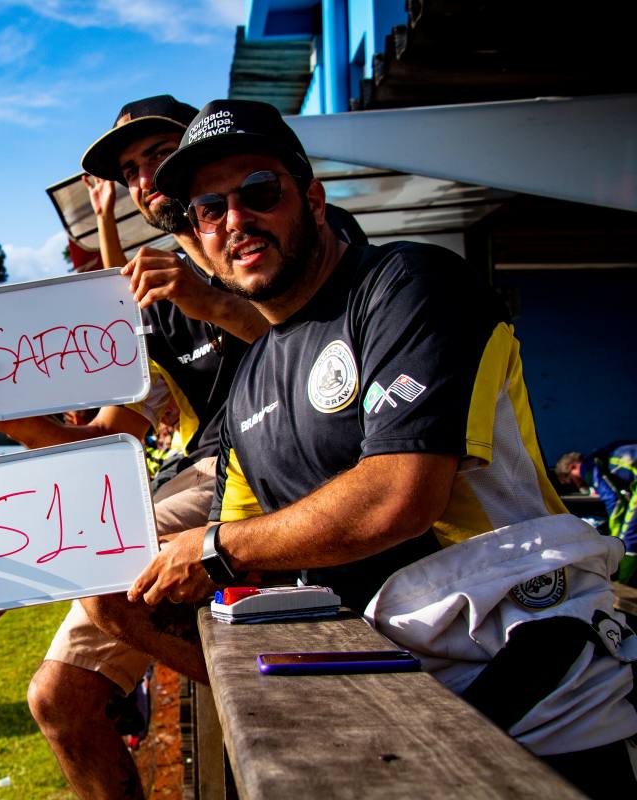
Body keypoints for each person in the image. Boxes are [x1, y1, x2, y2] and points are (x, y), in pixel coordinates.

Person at [120, 98, 637, 796]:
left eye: (259, 192)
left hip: (527, 660)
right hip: (387, 676)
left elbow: (399, 495)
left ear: (312, 197)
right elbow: (239, 549)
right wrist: (33, 565)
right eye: (209, 210)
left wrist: (213, 547)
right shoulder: (249, 385)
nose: (235, 221)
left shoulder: (407, 284)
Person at [0, 95, 366, 798]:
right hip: (199, 482)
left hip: (267, 483)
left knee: (125, 593)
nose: (146, 180)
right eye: (133, 171)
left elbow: (331, 363)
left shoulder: (283, 238)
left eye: (159, 158)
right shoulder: (156, 301)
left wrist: (216, 306)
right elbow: (108, 437)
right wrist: (4, 426)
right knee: (58, 699)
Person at [557, 444, 637, 583]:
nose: (577, 486)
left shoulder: (589, 467)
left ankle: (622, 583)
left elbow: (615, 503)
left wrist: (616, 540)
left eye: (571, 481)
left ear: (572, 467)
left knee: (629, 540)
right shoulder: (605, 456)